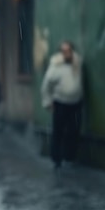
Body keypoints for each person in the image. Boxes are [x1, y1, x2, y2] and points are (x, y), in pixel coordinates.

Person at [41, 40, 83, 170]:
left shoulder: (77, 63)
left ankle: (69, 157)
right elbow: (46, 86)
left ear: (72, 51)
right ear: (60, 53)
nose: (66, 53)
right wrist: (48, 102)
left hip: (75, 103)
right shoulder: (55, 66)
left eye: (68, 50)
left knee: (73, 131)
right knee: (58, 132)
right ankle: (56, 159)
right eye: (63, 51)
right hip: (60, 103)